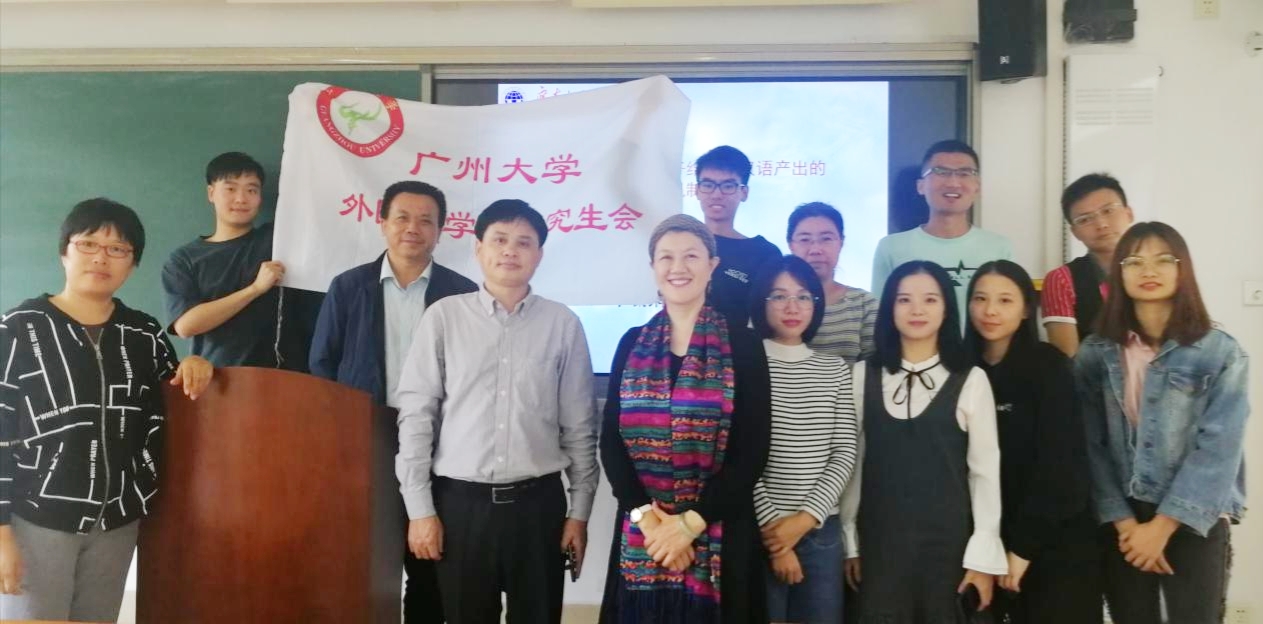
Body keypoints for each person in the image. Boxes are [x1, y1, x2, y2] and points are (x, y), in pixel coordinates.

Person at [0, 198, 213, 621]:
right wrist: (1, 532)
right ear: (64, 252)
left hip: (117, 522)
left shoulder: (144, 333)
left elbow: (173, 405)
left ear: (133, 263)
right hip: (36, 519)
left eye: (118, 249)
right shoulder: (19, 328)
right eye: (88, 244)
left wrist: (195, 363)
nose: (101, 258)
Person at [394, 200, 598, 624]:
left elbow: (579, 427)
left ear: (539, 254)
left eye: (524, 242)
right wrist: (420, 510)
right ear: (478, 248)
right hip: (461, 507)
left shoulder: (562, 324)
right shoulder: (444, 318)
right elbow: (416, 418)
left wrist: (578, 514)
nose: (510, 251)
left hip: (538, 507)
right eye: (499, 239)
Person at [309, 180, 476, 623]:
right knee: (364, 560)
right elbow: (322, 363)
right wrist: (341, 433)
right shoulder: (348, 287)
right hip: (367, 441)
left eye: (426, 221)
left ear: (440, 231)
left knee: (429, 559)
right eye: (402, 217)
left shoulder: (462, 293)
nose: (412, 228)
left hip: (441, 444)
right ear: (382, 222)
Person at [599, 214, 771, 624]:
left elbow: (752, 450)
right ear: (653, 268)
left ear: (712, 265)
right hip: (645, 532)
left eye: (691, 256)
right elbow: (611, 442)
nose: (678, 267)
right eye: (666, 257)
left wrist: (689, 525)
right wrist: (651, 522)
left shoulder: (743, 345)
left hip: (723, 532)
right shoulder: (631, 344)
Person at [1075, 222, 1248, 624]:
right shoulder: (1095, 353)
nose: (1148, 271)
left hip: (1195, 515)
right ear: (1118, 273)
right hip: (1123, 514)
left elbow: (1220, 447)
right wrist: (1126, 524)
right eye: (1134, 261)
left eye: (1162, 260)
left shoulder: (1220, 352)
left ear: (1181, 268)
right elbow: (1089, 443)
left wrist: (1161, 528)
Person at [841, 260, 1005, 621]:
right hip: (880, 543)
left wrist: (982, 556)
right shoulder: (862, 374)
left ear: (946, 309)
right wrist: (850, 541)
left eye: (930, 299)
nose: (917, 310)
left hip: (949, 547)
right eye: (904, 300)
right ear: (889, 308)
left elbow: (984, 473)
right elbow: (853, 465)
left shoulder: (971, 379)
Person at [964, 260, 1101, 623]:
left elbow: (1063, 469)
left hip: (1053, 542)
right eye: (980, 298)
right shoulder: (959, 370)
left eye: (1005, 300)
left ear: (1026, 309)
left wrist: (1023, 549)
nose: (990, 311)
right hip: (986, 545)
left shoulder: (1048, 367)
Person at [749, 255, 858, 624]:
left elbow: (844, 451)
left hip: (820, 530)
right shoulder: (747, 366)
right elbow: (740, 454)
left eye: (803, 296)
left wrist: (805, 518)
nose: (792, 307)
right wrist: (777, 538)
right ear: (762, 303)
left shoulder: (834, 368)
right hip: (762, 530)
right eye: (779, 296)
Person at [162, 151, 298, 368]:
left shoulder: (275, 238)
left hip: (286, 376)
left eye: (251, 190)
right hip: (219, 376)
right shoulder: (185, 259)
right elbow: (186, 325)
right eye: (231, 189)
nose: (241, 199)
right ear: (211, 193)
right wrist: (255, 289)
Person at [870, 141, 1013, 328]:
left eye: (964, 173)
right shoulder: (891, 248)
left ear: (977, 187)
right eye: (941, 172)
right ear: (921, 186)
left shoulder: (999, 247)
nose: (953, 183)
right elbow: (881, 319)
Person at [1041, 173, 1135, 357]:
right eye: (1085, 219)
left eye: (1108, 211)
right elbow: (1069, 361)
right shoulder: (1062, 280)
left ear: (1129, 213)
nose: (1101, 224)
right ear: (1075, 232)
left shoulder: (1161, 269)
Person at [694, 145, 782, 329]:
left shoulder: (764, 253)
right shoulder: (679, 245)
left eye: (728, 186)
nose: (716, 194)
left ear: (744, 193)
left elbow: (769, 318)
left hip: (740, 346)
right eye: (708, 185)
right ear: (697, 190)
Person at [787, 201, 877, 366]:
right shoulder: (773, 302)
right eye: (805, 239)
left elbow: (874, 371)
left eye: (826, 239)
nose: (816, 250)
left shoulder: (864, 303)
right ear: (791, 246)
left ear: (841, 243)